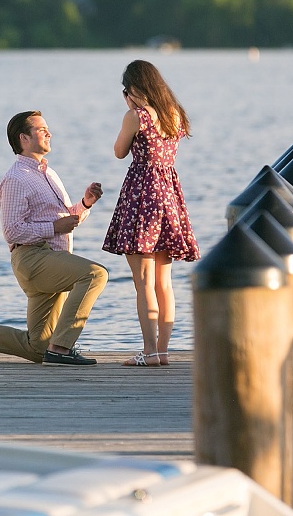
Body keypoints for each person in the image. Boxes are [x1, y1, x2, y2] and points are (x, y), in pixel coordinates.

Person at [0, 110, 108, 366]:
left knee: (37, 348)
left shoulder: (49, 174)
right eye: (42, 130)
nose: (49, 133)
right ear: (24, 138)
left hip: (52, 260)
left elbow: (65, 221)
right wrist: (54, 227)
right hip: (32, 258)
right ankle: (62, 348)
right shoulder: (15, 179)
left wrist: (85, 204)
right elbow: (12, 231)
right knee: (95, 274)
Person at [101, 60, 200, 368]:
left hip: (141, 195)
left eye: (126, 90)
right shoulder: (175, 114)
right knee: (164, 282)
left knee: (143, 280)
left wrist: (130, 108)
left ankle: (149, 352)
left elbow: (119, 151)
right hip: (169, 195)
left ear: (134, 88)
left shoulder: (136, 116)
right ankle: (164, 350)